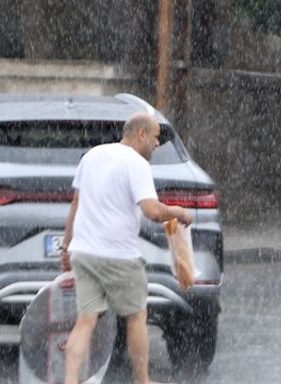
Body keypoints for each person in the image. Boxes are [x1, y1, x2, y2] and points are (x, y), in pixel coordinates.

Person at [59, 112, 193, 384]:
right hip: (118, 255)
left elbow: (76, 204)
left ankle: (70, 381)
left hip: (84, 253)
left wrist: (66, 246)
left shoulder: (93, 156)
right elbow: (152, 211)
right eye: (155, 137)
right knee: (136, 317)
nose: (157, 144)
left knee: (85, 321)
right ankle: (142, 381)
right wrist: (178, 212)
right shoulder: (136, 164)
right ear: (141, 134)